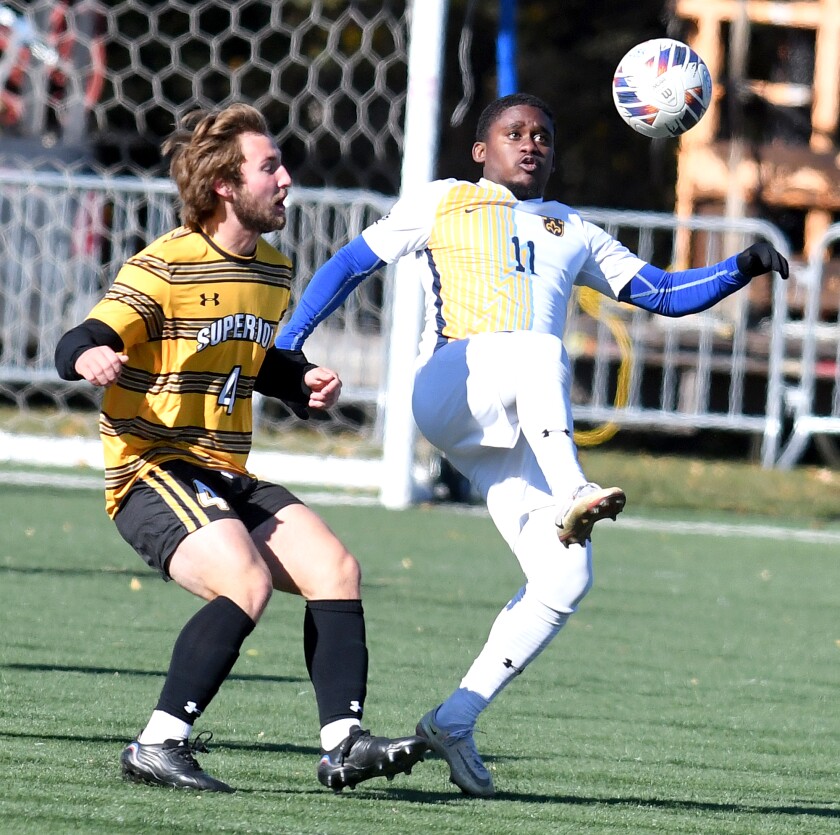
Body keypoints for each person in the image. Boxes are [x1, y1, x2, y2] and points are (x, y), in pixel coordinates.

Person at [274, 92, 789, 797]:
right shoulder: (445, 199)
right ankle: (575, 489)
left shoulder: (571, 228)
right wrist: (286, 346)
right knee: (538, 346)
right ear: (482, 151)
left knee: (566, 576)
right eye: (514, 133)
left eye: (543, 134)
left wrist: (743, 266)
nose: (531, 143)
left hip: (509, 428)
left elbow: (664, 293)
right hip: (451, 387)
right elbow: (349, 265)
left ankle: (454, 719)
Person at [54, 103, 427, 794]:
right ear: (226, 185)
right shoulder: (164, 265)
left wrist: (297, 381)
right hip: (151, 470)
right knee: (246, 580)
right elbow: (80, 336)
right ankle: (158, 743)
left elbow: (248, 360)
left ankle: (343, 743)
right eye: (270, 166)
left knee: (336, 569)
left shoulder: (274, 269)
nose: (286, 179)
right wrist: (90, 358)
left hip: (223, 472)